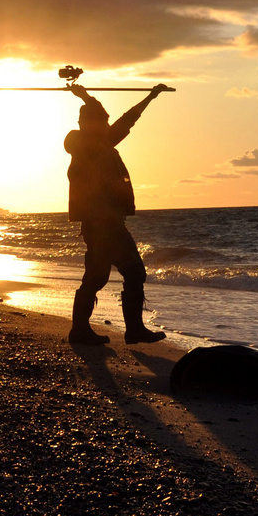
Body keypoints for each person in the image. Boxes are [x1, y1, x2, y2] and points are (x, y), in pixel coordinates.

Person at [63, 82, 174, 345]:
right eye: (102, 121)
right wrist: (86, 97)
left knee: (97, 276)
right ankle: (132, 330)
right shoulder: (82, 145)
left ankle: (80, 330)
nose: (107, 125)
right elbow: (105, 121)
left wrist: (151, 96)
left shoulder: (101, 142)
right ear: (88, 124)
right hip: (104, 225)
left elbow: (128, 120)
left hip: (104, 223)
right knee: (134, 272)